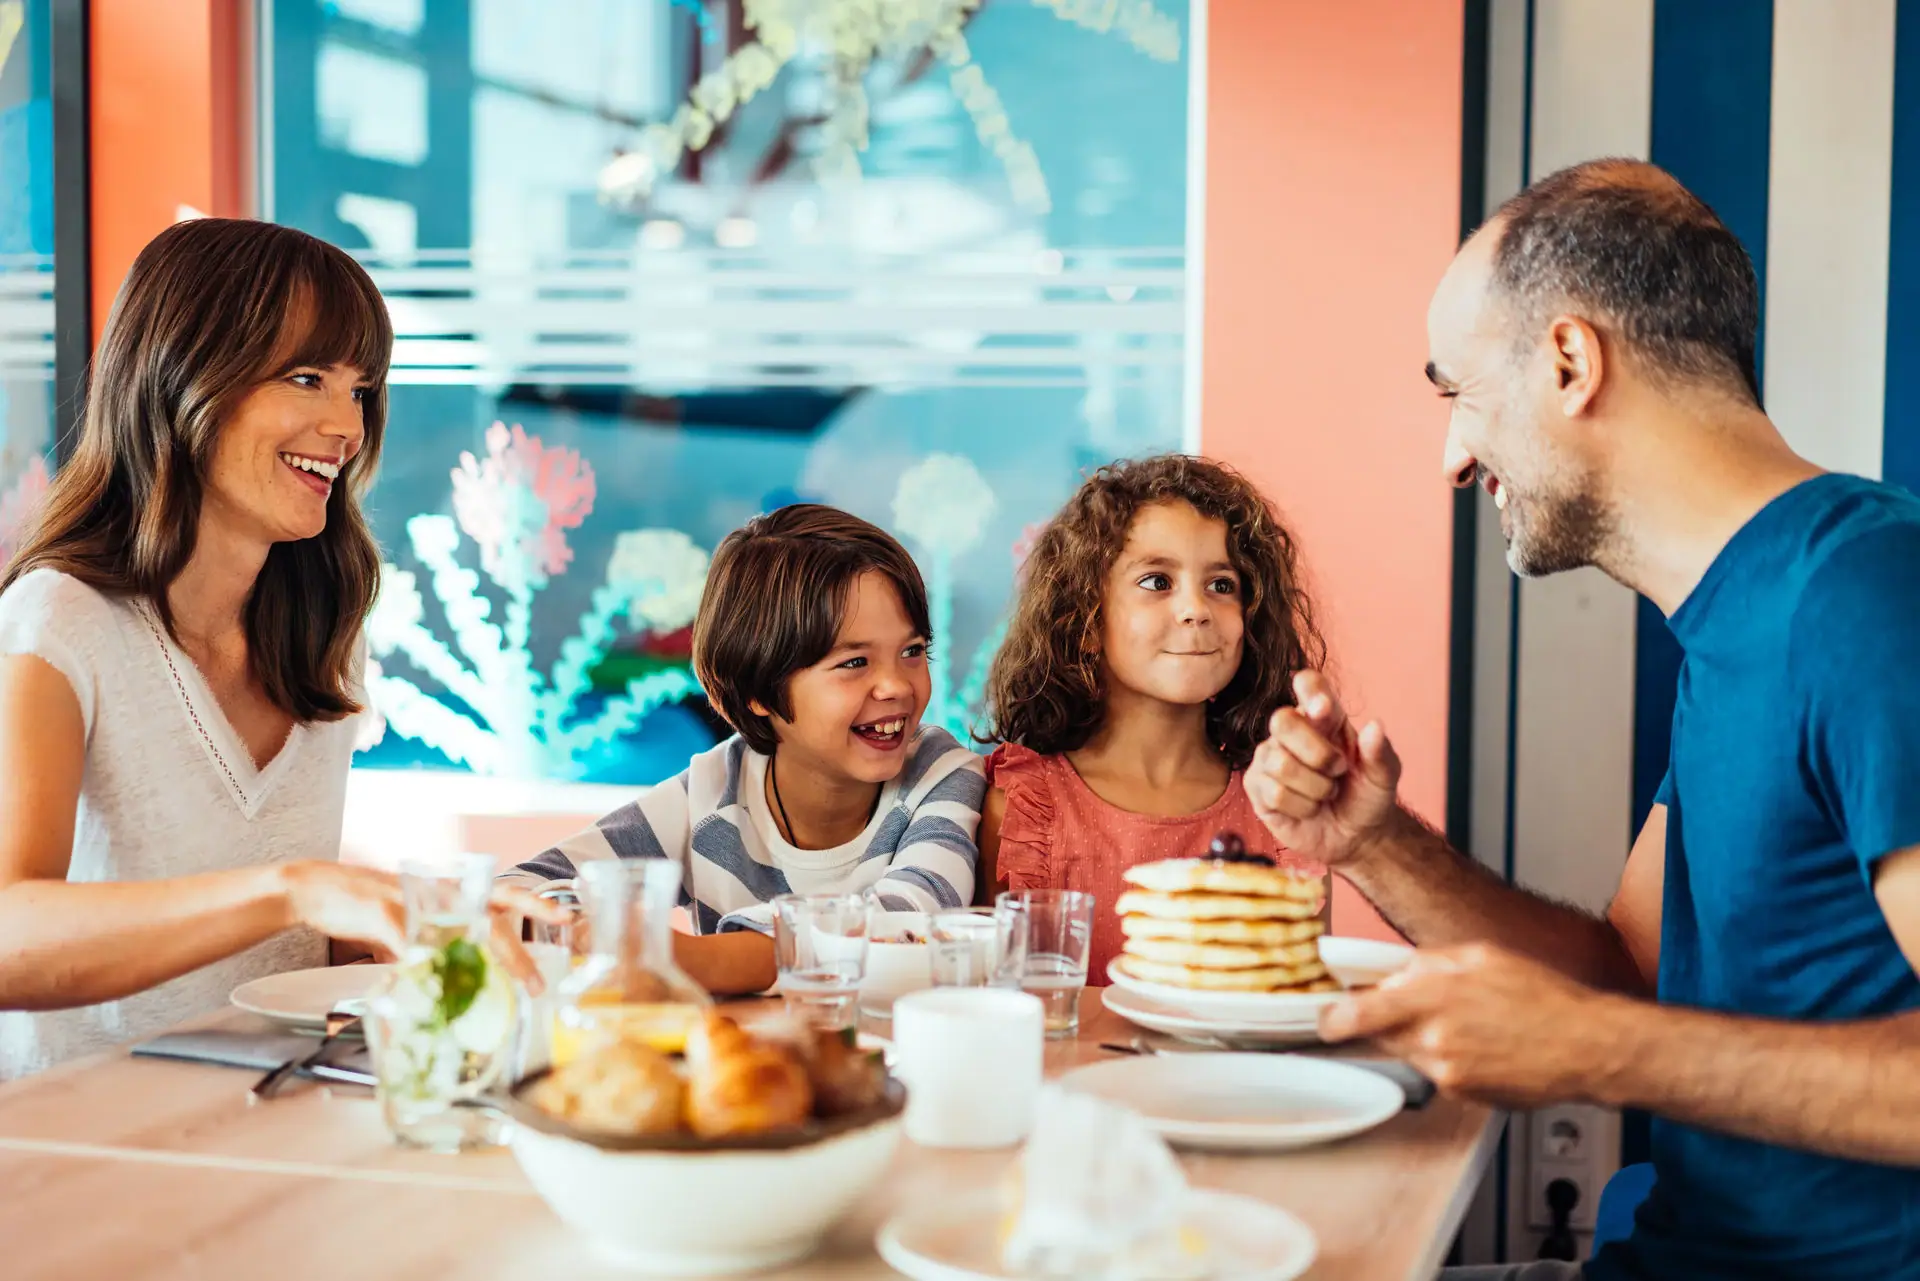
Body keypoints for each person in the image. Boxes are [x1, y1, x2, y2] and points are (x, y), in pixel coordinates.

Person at [1246, 159, 1920, 1280]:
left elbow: (1607, 1028)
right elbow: (1622, 975)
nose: (1453, 456)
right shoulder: (1739, 617)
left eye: (1456, 392)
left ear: (1569, 362)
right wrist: (1374, 839)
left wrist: (1601, 1053)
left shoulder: (1867, 597)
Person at [0, 218, 552, 1081]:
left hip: (279, 1112)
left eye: (362, 390)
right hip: (83, 1149)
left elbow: (262, 944)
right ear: (183, 378)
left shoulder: (326, 627)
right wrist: (296, 889)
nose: (348, 426)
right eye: (308, 379)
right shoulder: (55, 621)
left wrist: (405, 921)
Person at [501, 504, 988, 995]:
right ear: (757, 690)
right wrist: (577, 923)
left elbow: (906, 921)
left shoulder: (943, 777)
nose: (895, 686)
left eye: (912, 652)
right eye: (855, 662)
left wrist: (680, 958)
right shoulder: (710, 795)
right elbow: (521, 889)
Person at [976, 455, 1326, 982]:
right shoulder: (1021, 808)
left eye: (1222, 584)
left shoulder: (1285, 808)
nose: (1196, 609)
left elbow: (1297, 998)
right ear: (1085, 620)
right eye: (1157, 582)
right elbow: (989, 1009)